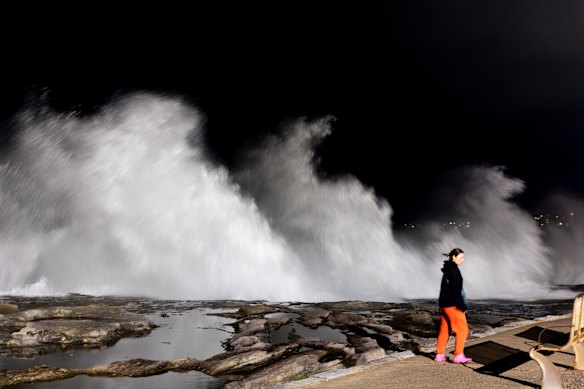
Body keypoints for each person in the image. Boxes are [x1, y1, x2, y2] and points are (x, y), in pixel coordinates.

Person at [434, 248, 472, 363]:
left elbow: (446, 289)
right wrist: (462, 306)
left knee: (445, 330)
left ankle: (439, 355)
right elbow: (455, 290)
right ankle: (458, 355)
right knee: (462, 330)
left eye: (463, 257)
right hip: (452, 305)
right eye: (461, 257)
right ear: (453, 257)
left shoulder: (448, 269)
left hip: (444, 305)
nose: (463, 260)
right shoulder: (453, 270)